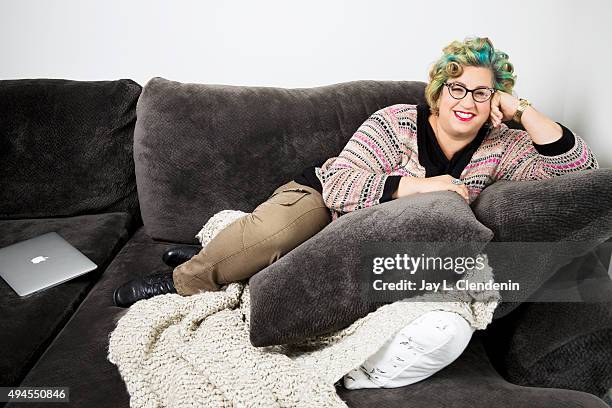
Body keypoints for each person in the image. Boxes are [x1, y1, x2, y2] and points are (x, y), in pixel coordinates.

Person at [113, 37, 598, 388]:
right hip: (324, 200)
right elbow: (341, 185)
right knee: (273, 236)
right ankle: (185, 280)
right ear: (438, 91)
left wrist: (523, 111)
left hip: (370, 235)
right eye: (457, 88)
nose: (467, 101)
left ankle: (227, 256)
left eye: (482, 92)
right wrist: (420, 186)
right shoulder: (395, 122)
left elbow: (582, 171)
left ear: (495, 100)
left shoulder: (504, 145)